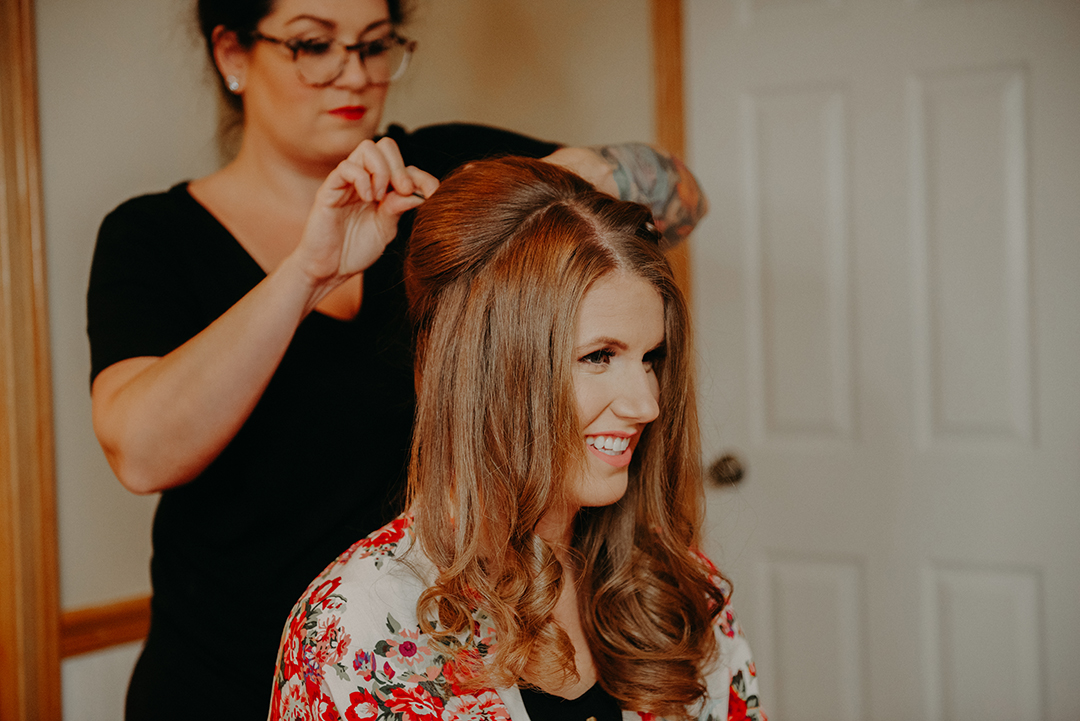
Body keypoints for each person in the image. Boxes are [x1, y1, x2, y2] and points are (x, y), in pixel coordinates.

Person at [86, 1, 708, 718]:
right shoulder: (154, 237)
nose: (354, 73)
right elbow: (141, 452)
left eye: (375, 44)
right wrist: (308, 271)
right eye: (314, 45)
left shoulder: (444, 170)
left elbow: (683, 201)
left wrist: (576, 177)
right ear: (233, 54)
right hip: (229, 672)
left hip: (436, 652)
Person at [269, 157, 764, 720]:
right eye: (598, 357)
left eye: (650, 358)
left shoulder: (681, 591)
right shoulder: (358, 626)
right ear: (485, 371)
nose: (646, 405)